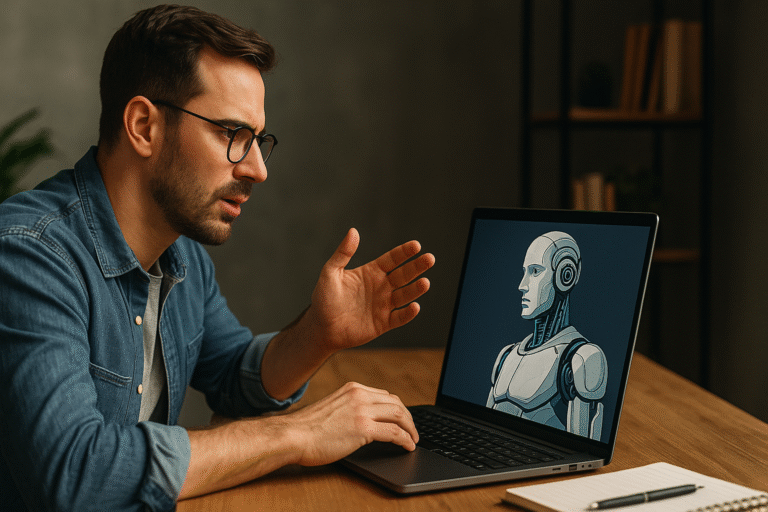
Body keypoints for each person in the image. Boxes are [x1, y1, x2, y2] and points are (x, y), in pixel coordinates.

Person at [0, 5, 435, 511]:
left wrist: (319, 332)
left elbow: (234, 377)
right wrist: (295, 434)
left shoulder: (180, 255)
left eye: (259, 140)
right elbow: (74, 473)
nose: (257, 169)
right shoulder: (30, 256)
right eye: (233, 135)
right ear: (144, 126)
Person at [487, 232, 606, 440]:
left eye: (535, 271)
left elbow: (583, 452)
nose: (522, 285)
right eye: (525, 271)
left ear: (564, 275)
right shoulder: (507, 355)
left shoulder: (580, 358)